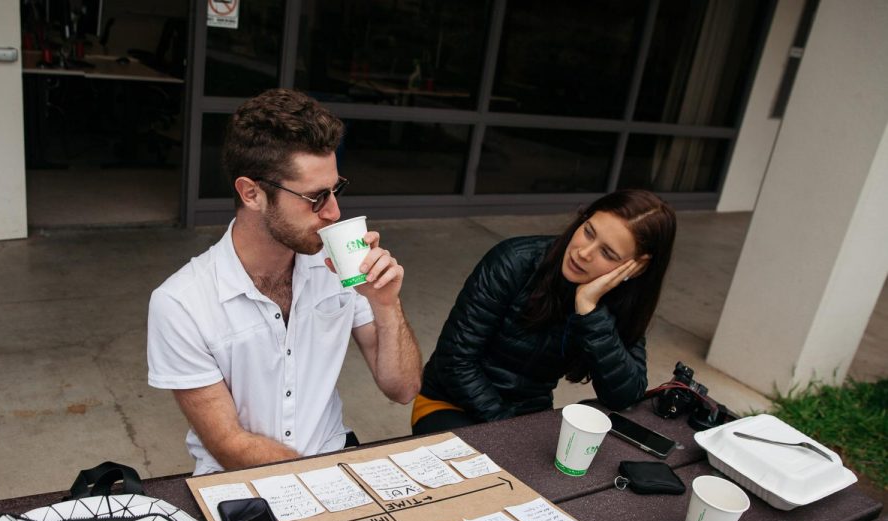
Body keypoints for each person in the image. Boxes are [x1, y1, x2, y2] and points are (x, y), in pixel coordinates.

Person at [147, 89, 421, 475]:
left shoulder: (339, 268)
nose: (334, 212)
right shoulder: (182, 303)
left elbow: (402, 389)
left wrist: (385, 304)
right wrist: (324, 484)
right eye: (315, 198)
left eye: (336, 189)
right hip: (240, 479)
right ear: (251, 193)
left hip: (333, 454)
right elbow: (230, 445)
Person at [412, 189, 676, 435]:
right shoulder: (514, 261)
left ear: (637, 267)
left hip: (527, 415)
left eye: (607, 253)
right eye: (588, 231)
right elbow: (455, 362)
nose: (583, 252)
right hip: (449, 403)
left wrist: (591, 312)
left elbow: (625, 396)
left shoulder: (619, 303)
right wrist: (511, 429)